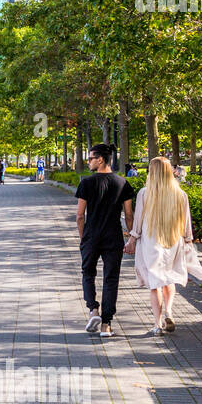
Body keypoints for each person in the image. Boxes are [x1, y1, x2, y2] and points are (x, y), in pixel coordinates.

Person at [125, 157, 202, 334]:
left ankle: (157, 324)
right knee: (168, 278)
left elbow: (138, 220)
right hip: (173, 240)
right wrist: (188, 240)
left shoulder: (144, 192)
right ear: (170, 172)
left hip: (151, 242)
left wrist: (132, 239)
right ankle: (169, 311)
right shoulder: (180, 194)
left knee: (154, 284)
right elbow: (186, 222)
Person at [75, 143, 136, 337]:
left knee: (88, 273)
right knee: (111, 278)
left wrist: (83, 237)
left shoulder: (86, 183)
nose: (89, 162)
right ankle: (106, 324)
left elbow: (79, 216)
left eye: (91, 158)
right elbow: (128, 214)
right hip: (113, 236)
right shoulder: (122, 183)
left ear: (100, 159)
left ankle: (93, 310)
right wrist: (131, 236)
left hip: (91, 236)